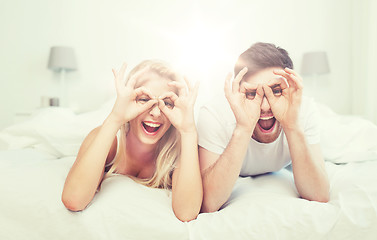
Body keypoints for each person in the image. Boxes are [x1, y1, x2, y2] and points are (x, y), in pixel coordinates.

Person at [62, 60, 203, 222]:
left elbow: (187, 213)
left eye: (166, 103)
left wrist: (188, 131)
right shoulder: (110, 140)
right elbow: (73, 199)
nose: (156, 112)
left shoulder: (177, 152)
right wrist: (115, 118)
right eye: (144, 100)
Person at [197, 42, 330, 213]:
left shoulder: (304, 109)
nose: (266, 106)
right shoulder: (214, 115)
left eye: (276, 90)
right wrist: (243, 127)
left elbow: (319, 195)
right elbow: (208, 203)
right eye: (252, 93)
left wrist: (292, 125)